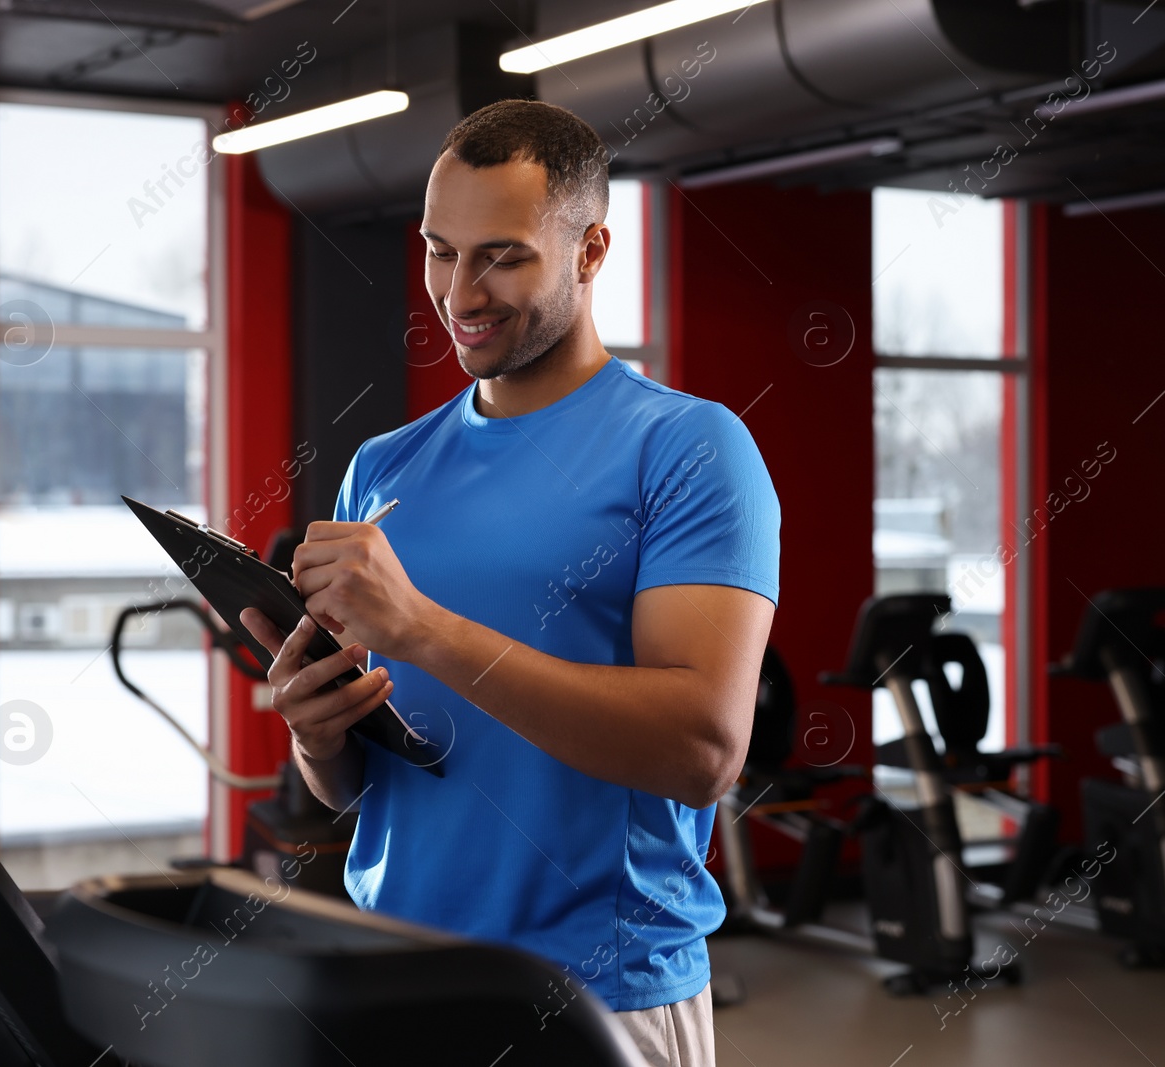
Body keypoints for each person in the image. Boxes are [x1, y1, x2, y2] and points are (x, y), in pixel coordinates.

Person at [241, 99, 779, 1067]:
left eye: (502, 255)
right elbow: (359, 786)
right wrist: (317, 731)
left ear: (590, 249)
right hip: (395, 972)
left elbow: (703, 747)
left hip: (594, 995)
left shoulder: (688, 449)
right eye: (439, 251)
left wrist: (423, 629)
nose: (459, 291)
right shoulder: (385, 466)